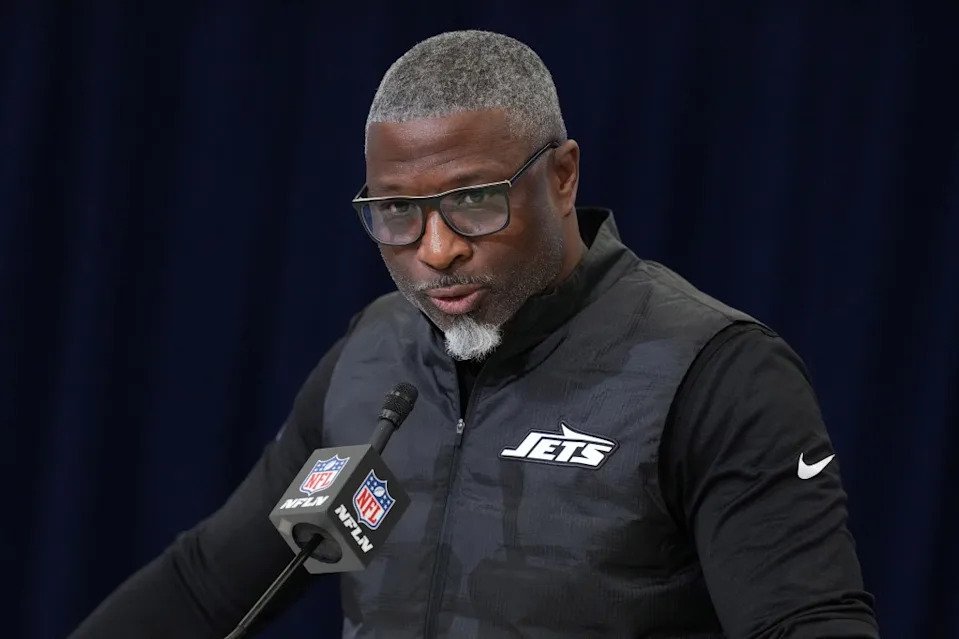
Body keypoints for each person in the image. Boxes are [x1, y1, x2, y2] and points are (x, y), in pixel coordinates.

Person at [72, 30, 879, 638]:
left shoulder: (713, 372)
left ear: (561, 176)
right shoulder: (373, 356)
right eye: (396, 212)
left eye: (474, 199)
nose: (435, 249)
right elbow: (207, 587)